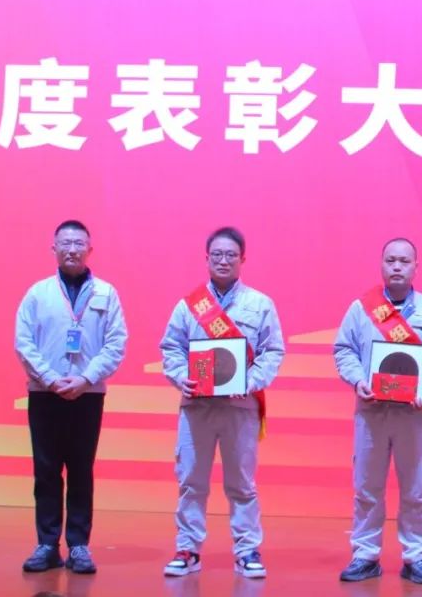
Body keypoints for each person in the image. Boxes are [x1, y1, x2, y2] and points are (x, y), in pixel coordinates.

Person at [160, 227, 284, 579]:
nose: (224, 260)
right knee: (191, 481)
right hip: (196, 406)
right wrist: (180, 375)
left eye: (231, 255)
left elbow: (273, 351)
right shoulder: (189, 306)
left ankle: (246, 550)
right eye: (217, 254)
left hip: (239, 407)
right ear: (207, 258)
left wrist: (250, 381)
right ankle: (188, 549)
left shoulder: (259, 304)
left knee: (241, 483)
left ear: (242, 259)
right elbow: (170, 348)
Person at [333, 238, 422, 585]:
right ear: (381, 265)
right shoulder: (361, 309)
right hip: (371, 412)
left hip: (414, 415)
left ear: (416, 267)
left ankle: (416, 555)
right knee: (366, 487)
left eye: (404, 261)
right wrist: (358, 380)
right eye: (391, 260)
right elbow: (344, 349)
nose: (397, 266)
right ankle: (365, 554)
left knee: (415, 489)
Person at [15, 219, 128, 574]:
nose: (72, 249)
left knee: (81, 469)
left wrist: (85, 378)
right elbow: (24, 343)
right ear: (54, 249)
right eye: (65, 243)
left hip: (88, 394)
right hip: (44, 394)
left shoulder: (106, 293)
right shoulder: (38, 294)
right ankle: (47, 545)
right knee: (46, 470)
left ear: (90, 250)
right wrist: (50, 379)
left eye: (79, 244)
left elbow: (116, 343)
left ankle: (79, 545)